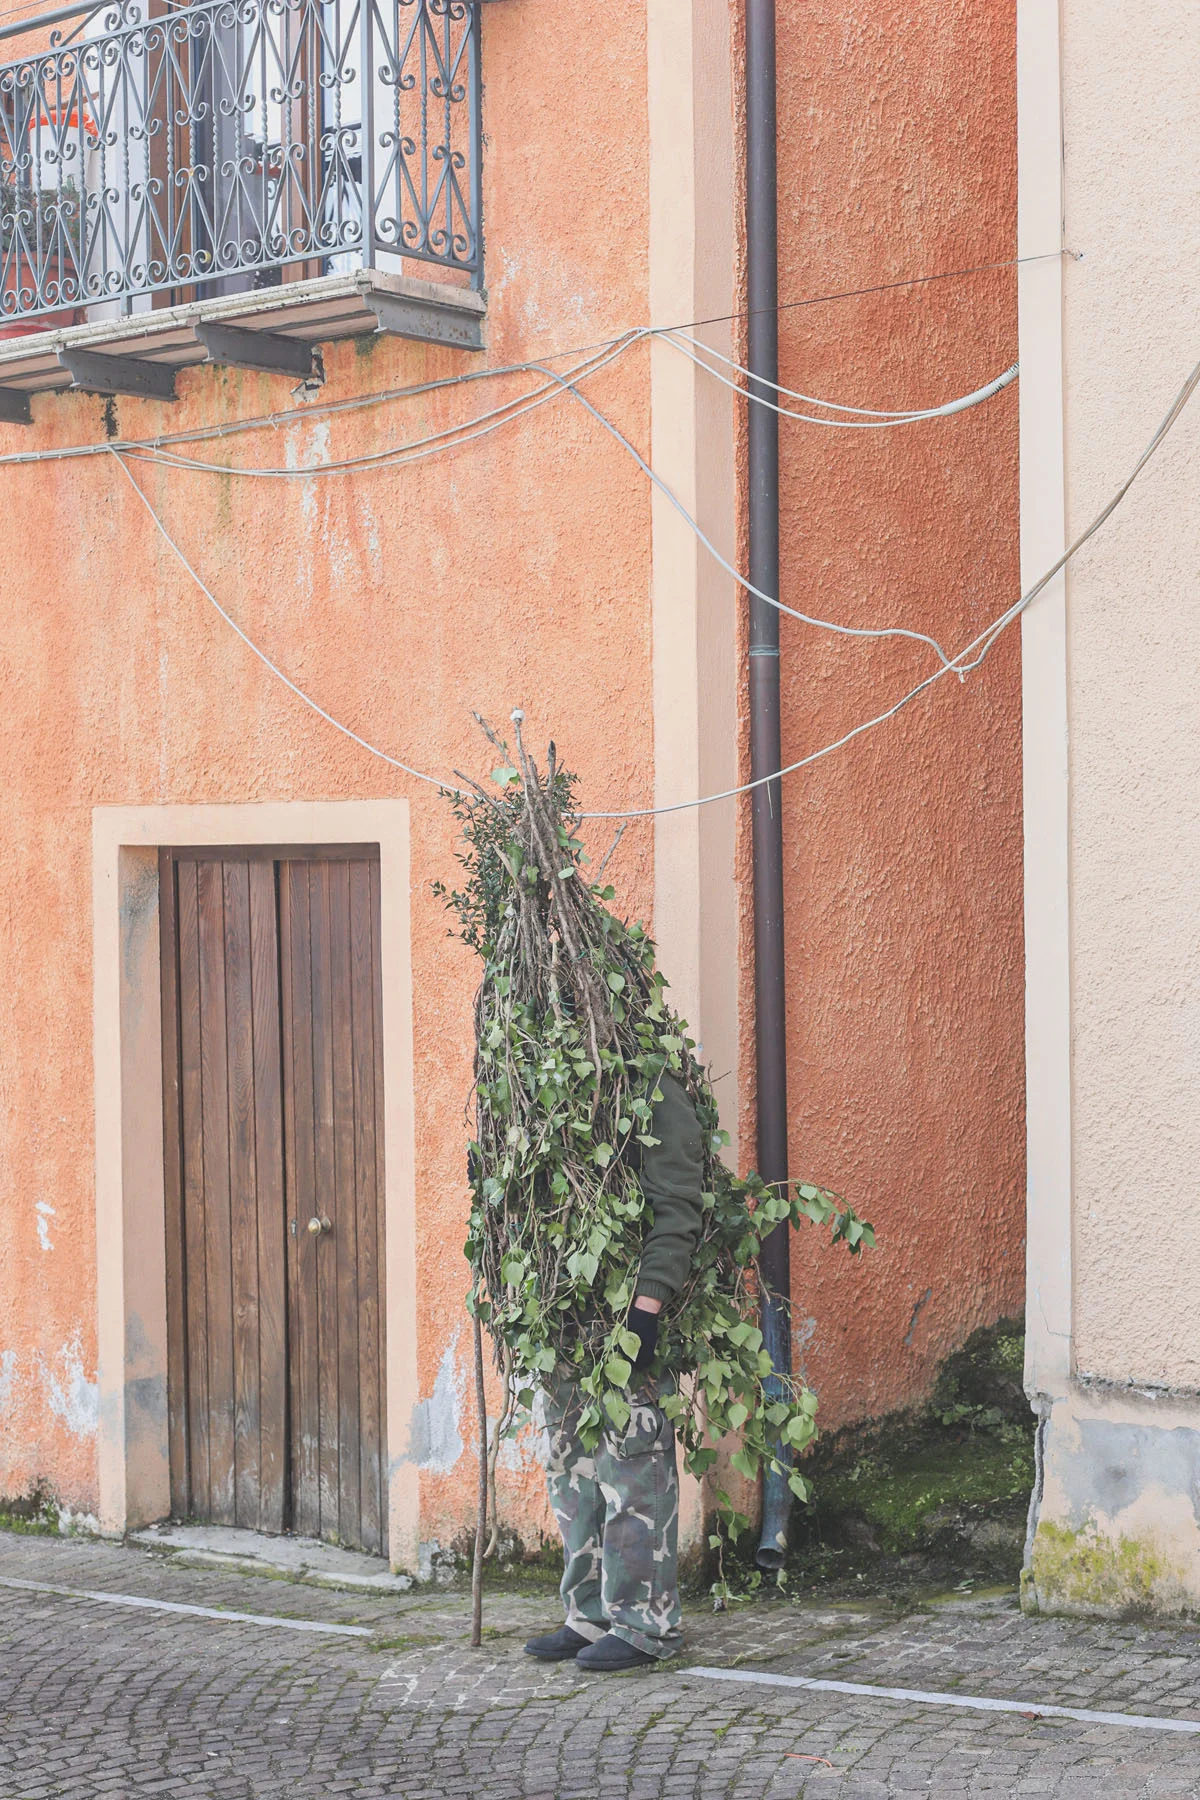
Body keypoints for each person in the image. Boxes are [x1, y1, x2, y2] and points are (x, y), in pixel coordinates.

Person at [524, 1070, 705, 1671]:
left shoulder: (652, 1088)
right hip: (563, 1321)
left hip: (625, 1315)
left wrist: (647, 1307)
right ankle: (589, 1614)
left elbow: (677, 1207)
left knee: (633, 1466)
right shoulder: (551, 1084)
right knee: (571, 1469)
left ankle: (643, 1625)